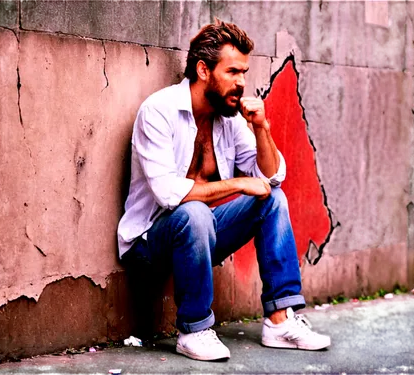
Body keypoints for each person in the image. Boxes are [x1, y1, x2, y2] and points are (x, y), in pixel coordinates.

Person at [117, 19, 331, 361]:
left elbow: (271, 177)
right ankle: (194, 329)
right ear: (204, 70)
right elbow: (168, 194)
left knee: (272, 199)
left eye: (244, 72)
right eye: (233, 72)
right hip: (148, 243)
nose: (242, 83)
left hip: (201, 236)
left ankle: (279, 320)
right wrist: (236, 183)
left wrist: (261, 128)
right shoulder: (158, 111)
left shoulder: (228, 119)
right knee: (195, 212)